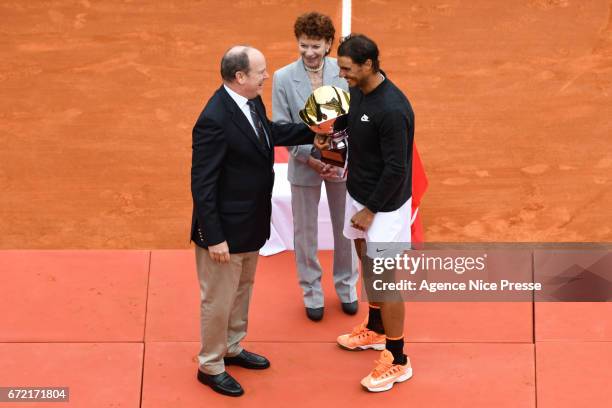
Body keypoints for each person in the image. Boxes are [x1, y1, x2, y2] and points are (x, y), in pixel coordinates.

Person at [191, 45, 321, 397]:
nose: (267, 76)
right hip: (224, 233)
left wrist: (315, 131)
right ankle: (210, 364)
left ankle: (232, 347)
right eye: (260, 71)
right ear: (240, 77)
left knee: (242, 291)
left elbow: (270, 134)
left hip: (250, 224)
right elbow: (202, 184)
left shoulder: (250, 103)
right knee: (217, 299)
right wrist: (212, 236)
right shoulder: (214, 119)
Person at [333, 34, 415, 392]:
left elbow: (397, 168)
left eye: (348, 69)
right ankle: (377, 328)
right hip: (359, 195)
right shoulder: (359, 91)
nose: (343, 75)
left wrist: (370, 210)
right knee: (365, 262)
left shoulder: (393, 109)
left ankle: (398, 359)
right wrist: (329, 135)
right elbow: (351, 123)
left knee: (384, 279)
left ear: (368, 65)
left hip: (384, 207)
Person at [272, 12, 359, 322]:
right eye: (303, 45)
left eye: (316, 46)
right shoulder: (283, 78)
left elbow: (354, 117)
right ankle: (312, 292)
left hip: (341, 165)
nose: (309, 52)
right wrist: (310, 157)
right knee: (305, 234)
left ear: (328, 45)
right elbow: (282, 126)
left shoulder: (344, 71)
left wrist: (339, 157)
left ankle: (347, 287)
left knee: (345, 228)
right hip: (303, 164)